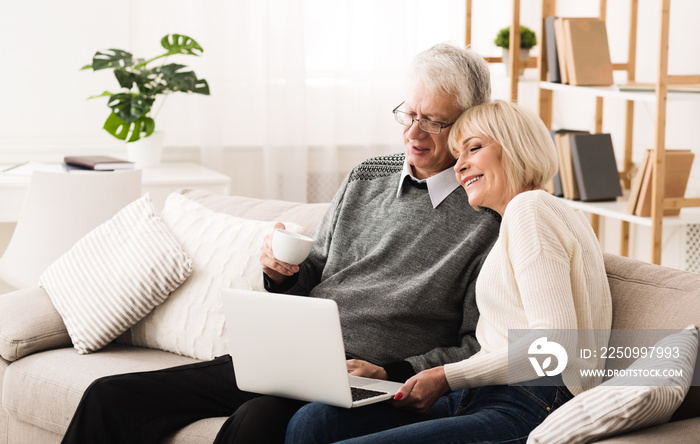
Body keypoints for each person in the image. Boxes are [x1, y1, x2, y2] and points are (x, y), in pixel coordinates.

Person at [60, 42, 501, 444]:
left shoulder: (487, 213)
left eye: (434, 122)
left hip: (367, 375)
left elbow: (476, 344)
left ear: (468, 124)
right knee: (110, 395)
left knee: (256, 422)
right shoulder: (368, 175)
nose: (413, 133)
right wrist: (282, 272)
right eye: (409, 114)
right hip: (292, 355)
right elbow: (316, 270)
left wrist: (393, 372)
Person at [284, 100, 614, 444]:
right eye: (458, 156)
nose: (460, 167)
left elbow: (553, 349)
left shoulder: (529, 209)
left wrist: (445, 376)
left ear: (516, 146)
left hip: (530, 401)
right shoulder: (525, 218)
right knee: (315, 421)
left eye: (473, 148)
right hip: (481, 394)